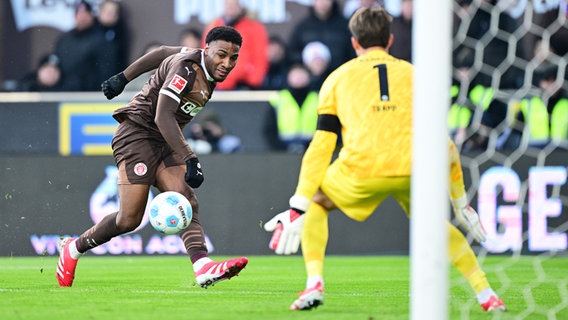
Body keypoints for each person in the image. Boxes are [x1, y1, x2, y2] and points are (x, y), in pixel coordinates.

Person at [262, 6, 506, 312]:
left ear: (354, 43)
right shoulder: (416, 75)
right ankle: (486, 294)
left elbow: (322, 146)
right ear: (390, 40)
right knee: (436, 225)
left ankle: (314, 283)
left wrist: (299, 203)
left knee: (318, 204)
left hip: (361, 171)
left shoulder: (336, 79)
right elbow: (443, 142)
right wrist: (460, 201)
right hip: (411, 168)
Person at [56, 26, 248, 289]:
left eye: (233, 58)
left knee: (187, 199)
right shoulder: (186, 70)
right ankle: (73, 248)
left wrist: (123, 77)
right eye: (221, 55)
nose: (227, 63)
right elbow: (163, 115)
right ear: (207, 50)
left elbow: (160, 53)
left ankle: (203, 267)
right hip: (137, 134)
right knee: (129, 219)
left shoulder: (198, 61)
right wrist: (190, 157)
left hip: (164, 138)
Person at [201, 0, 268, 90]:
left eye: (234, 4)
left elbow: (260, 56)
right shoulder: (214, 26)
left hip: (244, 85)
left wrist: (253, 81)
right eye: (228, 4)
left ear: (240, 6)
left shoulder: (254, 27)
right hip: (217, 86)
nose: (230, 7)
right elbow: (205, 56)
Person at [54, 0, 116, 91]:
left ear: (91, 16)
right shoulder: (64, 40)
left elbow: (107, 71)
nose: (82, 18)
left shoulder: (102, 40)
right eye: (79, 14)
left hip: (92, 94)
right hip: (66, 93)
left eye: (85, 14)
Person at [287, 0, 355, 81]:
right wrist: (310, 64)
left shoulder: (345, 26)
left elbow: (353, 53)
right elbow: (293, 54)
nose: (322, 3)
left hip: (340, 78)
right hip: (310, 83)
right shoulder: (303, 27)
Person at [263, 64, 318, 152]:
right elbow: (269, 129)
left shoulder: (317, 99)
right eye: (295, 75)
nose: (299, 78)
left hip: (313, 149)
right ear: (288, 77)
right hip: (284, 150)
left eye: (302, 74)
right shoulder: (279, 99)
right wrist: (282, 148)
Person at [96, 0, 130, 74]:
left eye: (114, 12)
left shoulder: (121, 33)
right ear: (100, 12)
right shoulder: (91, 32)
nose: (111, 14)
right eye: (108, 12)